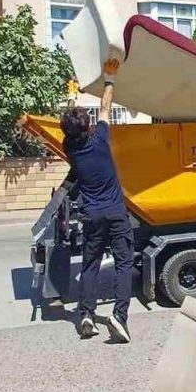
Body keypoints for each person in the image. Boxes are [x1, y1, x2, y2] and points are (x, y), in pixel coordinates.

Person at [60, 60, 132, 343]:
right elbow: (105, 106)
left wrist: (72, 96)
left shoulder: (70, 148)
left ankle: (87, 315)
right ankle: (119, 317)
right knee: (123, 264)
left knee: (90, 265)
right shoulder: (100, 138)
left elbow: (76, 125)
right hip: (116, 212)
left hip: (92, 215)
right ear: (89, 126)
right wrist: (110, 77)